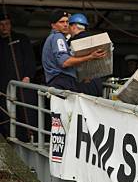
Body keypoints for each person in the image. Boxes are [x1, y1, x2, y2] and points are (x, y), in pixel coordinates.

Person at [41, 9, 106, 92]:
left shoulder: (54, 38)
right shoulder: (58, 37)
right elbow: (65, 62)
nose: (65, 25)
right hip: (61, 81)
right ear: (53, 25)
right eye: (61, 22)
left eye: (67, 22)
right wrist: (90, 56)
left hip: (60, 80)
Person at [0, 13, 37, 141]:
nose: (4, 27)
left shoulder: (21, 38)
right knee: (5, 113)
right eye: (1, 24)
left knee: (26, 111)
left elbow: (30, 60)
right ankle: (8, 138)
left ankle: (29, 137)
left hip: (22, 83)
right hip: (3, 86)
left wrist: (28, 76)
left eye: (7, 24)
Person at [66, 13, 104, 96]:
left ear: (73, 27)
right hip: (96, 82)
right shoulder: (95, 40)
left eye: (68, 26)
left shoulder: (72, 42)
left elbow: (66, 62)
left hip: (82, 83)